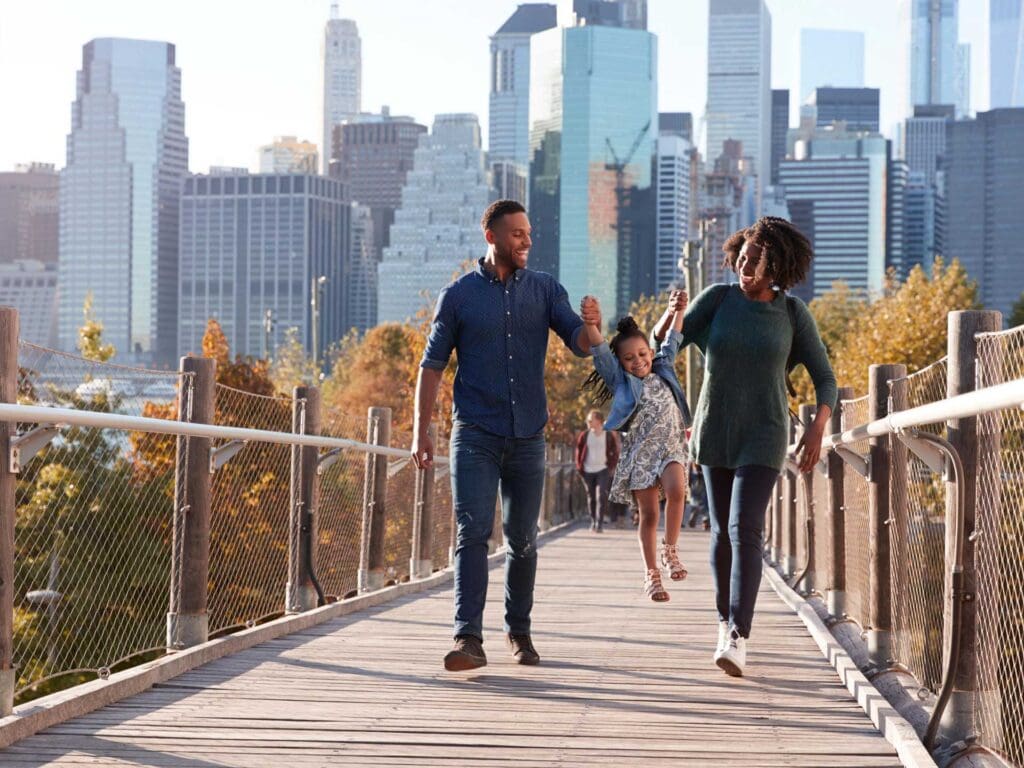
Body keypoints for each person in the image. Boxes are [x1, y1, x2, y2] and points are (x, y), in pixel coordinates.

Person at [412, 199, 595, 672]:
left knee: (523, 540)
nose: (527, 241)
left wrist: (592, 330)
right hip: (474, 432)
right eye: (517, 234)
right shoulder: (458, 296)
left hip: (529, 434)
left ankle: (519, 630)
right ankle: (468, 638)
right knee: (472, 533)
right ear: (491, 236)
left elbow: (575, 340)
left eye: (529, 233)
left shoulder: (546, 289)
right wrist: (421, 432)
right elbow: (431, 366)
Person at [664, 216, 837, 677]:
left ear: (776, 266)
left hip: (764, 433)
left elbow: (825, 379)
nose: (746, 267)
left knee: (745, 527)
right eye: (742, 258)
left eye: (756, 262)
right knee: (721, 531)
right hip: (714, 431)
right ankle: (724, 622)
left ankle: (739, 633)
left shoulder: (792, 314)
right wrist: (670, 318)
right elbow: (668, 350)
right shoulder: (717, 301)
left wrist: (818, 428)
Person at [579, 290, 691, 602]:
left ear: (650, 353)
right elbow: (601, 351)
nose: (638, 361)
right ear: (621, 363)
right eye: (629, 358)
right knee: (649, 515)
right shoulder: (621, 381)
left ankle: (670, 551)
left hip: (670, 446)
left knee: (677, 490)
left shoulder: (663, 365)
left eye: (642, 354)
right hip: (641, 452)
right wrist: (590, 323)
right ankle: (652, 575)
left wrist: (678, 310)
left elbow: (673, 337)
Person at [574, 409, 620, 533]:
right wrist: (580, 467)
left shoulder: (608, 435)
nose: (588, 422)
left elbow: (615, 452)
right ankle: (593, 521)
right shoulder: (585, 435)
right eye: (588, 420)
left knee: (601, 495)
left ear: (599, 421)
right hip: (587, 470)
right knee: (591, 497)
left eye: (591, 419)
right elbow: (578, 451)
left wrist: (610, 466)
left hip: (602, 469)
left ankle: (599, 524)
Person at [685, 463, 709, 530]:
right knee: (705, 498)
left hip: (694, 472)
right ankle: (705, 520)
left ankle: (694, 511)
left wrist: (688, 479)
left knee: (695, 497)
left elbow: (690, 463)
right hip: (704, 472)